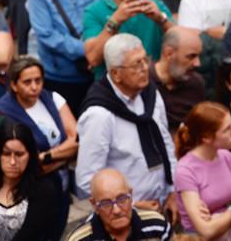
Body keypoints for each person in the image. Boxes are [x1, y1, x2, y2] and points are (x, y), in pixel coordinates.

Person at [75, 34, 178, 218]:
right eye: (136, 64)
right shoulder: (99, 115)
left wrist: (173, 190)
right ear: (116, 73)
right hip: (122, 215)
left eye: (145, 60)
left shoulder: (150, 94)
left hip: (162, 204)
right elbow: (87, 180)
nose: (145, 68)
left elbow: (166, 143)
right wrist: (131, 206)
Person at [0, 56, 77, 236]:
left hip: (63, 185)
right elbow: (28, 167)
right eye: (27, 82)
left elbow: (77, 141)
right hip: (34, 193)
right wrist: (65, 156)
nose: (34, 87)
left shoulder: (52, 98)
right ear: (14, 85)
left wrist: (46, 157)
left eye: (38, 80)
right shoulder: (4, 112)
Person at [26, 0, 101, 112]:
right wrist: (87, 49)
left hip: (94, 70)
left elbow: (101, 12)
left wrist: (97, 47)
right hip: (62, 76)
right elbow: (48, 36)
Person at [82, 0, 174, 79]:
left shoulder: (155, 5)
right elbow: (93, 59)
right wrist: (115, 20)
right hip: (112, 83)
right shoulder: (94, 10)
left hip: (152, 79)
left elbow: (182, 44)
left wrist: (161, 19)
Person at [174, 101, 231, 238]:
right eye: (227, 130)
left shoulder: (227, 157)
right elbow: (206, 230)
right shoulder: (186, 170)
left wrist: (230, 212)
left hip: (229, 230)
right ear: (206, 138)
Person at [0, 121, 61, 239]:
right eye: (6, 154)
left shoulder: (43, 190)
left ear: (30, 155)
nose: (13, 162)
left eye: (19, 154)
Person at [66, 167, 173, 241]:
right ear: (94, 205)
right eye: (106, 203)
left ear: (131, 196)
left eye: (122, 199)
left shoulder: (157, 225)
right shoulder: (79, 239)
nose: (116, 210)